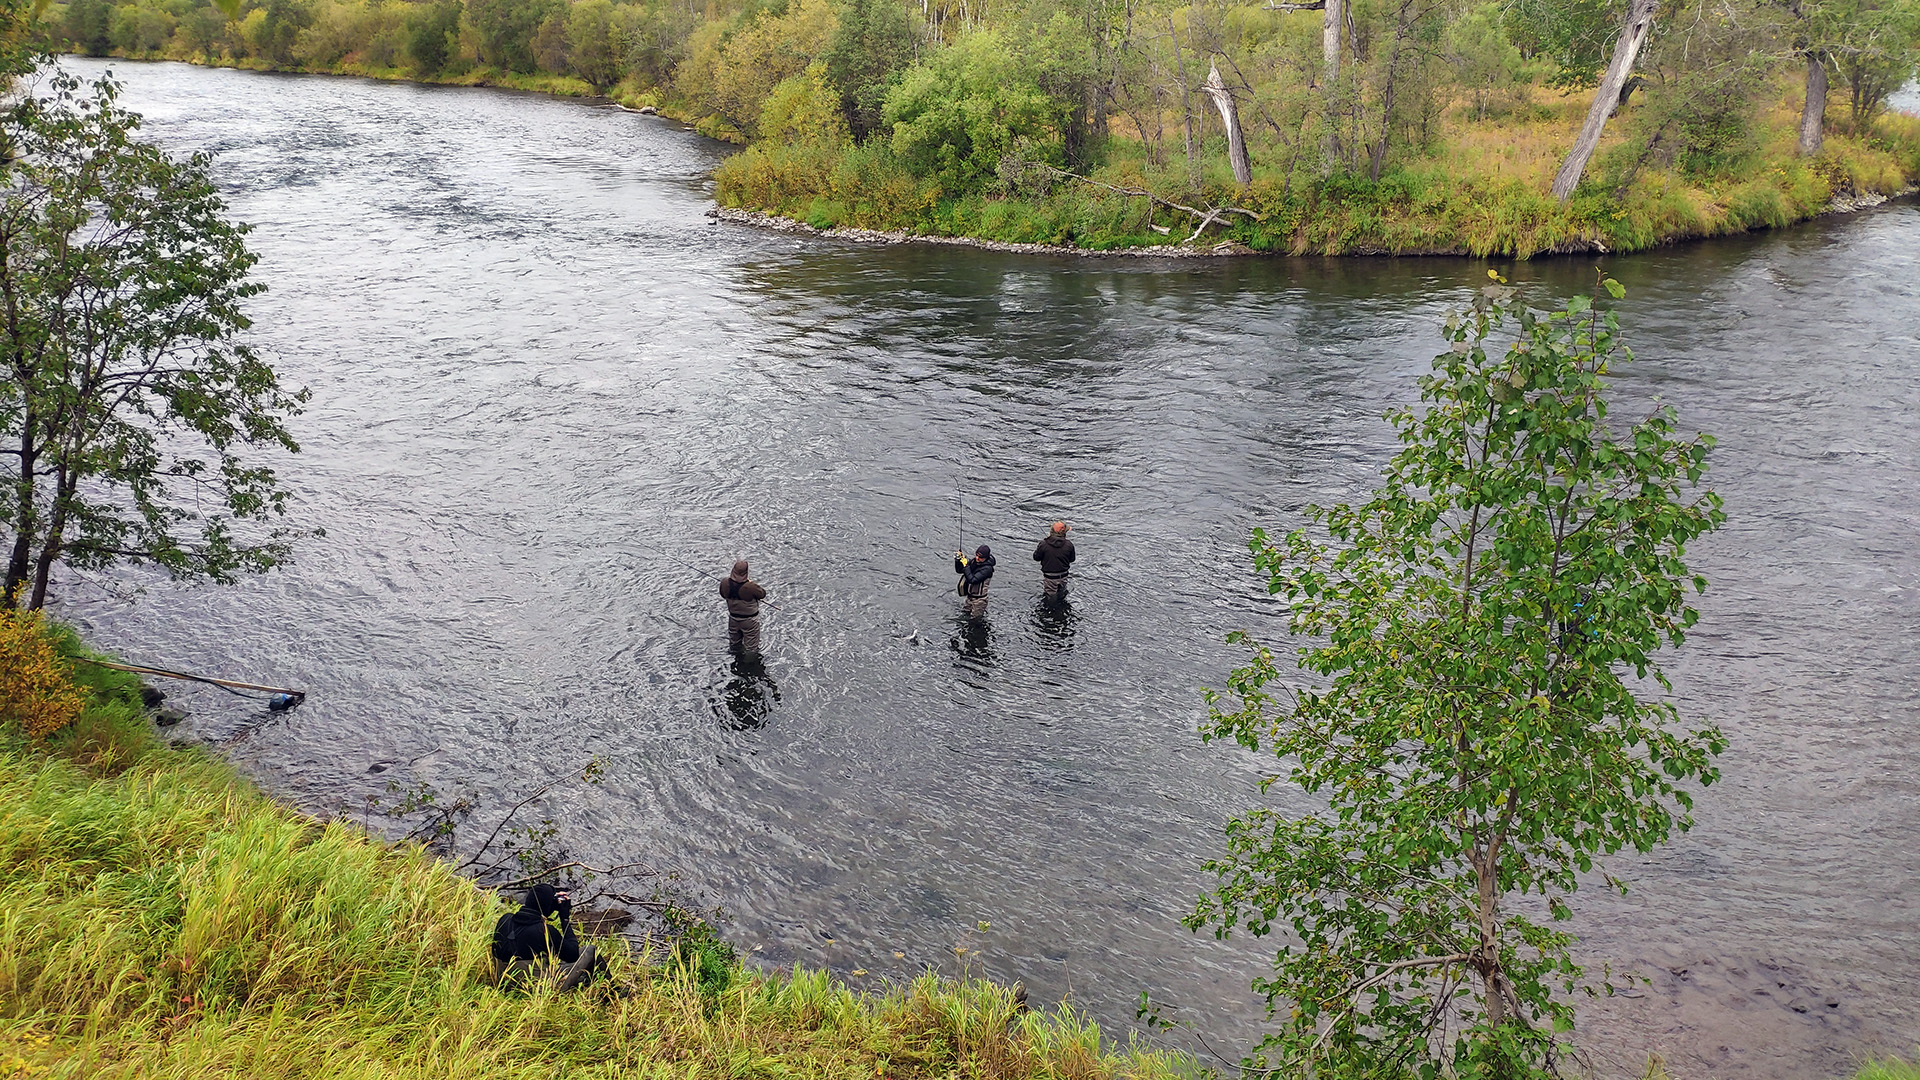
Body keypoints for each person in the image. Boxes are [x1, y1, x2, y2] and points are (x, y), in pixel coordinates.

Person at [490, 882, 597, 990]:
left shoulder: (505, 919)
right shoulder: (544, 931)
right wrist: (564, 919)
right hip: (534, 987)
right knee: (590, 950)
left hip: (503, 981)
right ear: (547, 908)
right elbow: (573, 955)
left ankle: (588, 983)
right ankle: (607, 990)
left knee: (556, 958)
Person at [720, 559, 767, 656]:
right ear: (746, 572)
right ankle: (749, 666)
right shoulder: (751, 586)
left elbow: (723, 595)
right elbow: (762, 594)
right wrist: (749, 582)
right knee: (751, 648)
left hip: (733, 619)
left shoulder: (725, 583)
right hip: (749, 621)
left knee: (734, 644)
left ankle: (736, 660)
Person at [1032, 521, 1075, 599]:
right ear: (1064, 532)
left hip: (1050, 578)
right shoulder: (1069, 544)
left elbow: (1036, 558)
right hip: (1064, 576)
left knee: (1050, 598)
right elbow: (1072, 559)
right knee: (1062, 595)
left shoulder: (1043, 544)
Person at [954, 544, 995, 617]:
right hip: (969, 598)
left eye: (980, 557)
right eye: (976, 555)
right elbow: (960, 570)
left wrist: (966, 567)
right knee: (965, 615)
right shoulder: (974, 562)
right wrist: (958, 561)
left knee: (975, 621)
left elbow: (973, 580)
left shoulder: (987, 569)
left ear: (986, 557)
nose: (977, 558)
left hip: (979, 601)